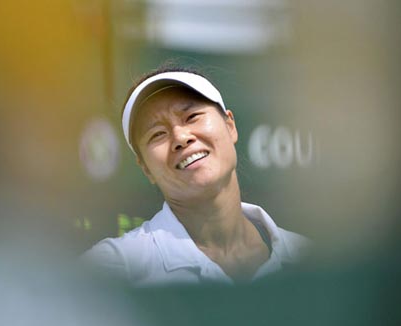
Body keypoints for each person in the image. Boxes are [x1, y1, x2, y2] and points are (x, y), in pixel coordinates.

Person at [83, 65, 310, 286]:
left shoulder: (307, 258)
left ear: (230, 125)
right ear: (145, 168)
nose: (181, 137)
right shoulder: (113, 268)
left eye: (192, 117)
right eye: (157, 134)